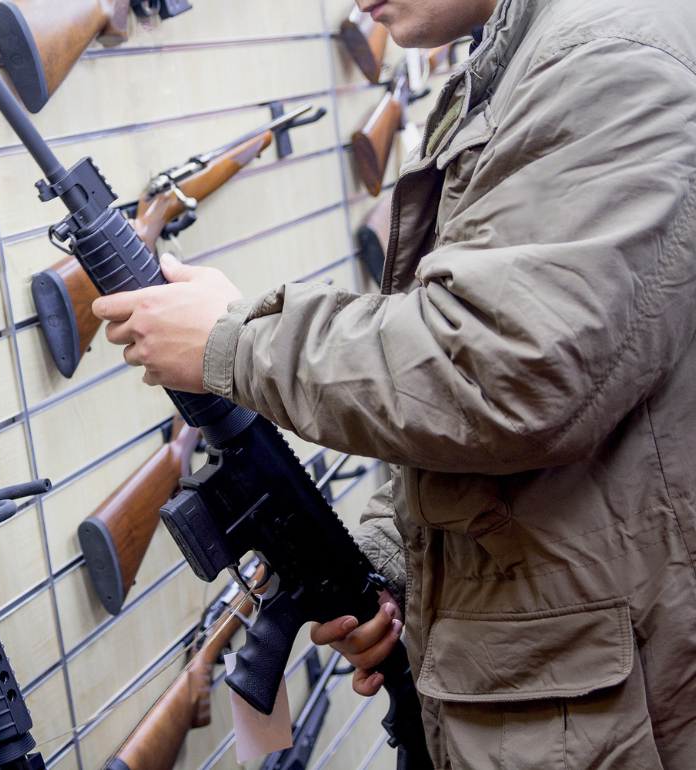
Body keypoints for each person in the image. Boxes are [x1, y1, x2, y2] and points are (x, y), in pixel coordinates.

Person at [89, 0, 696, 767]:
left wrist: (233, 342)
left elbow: (506, 371)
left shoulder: (611, 54)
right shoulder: (534, 55)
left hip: (591, 705)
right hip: (552, 683)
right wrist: (391, 559)